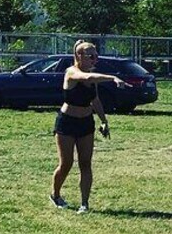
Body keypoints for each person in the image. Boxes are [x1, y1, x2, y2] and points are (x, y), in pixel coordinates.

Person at [50, 40, 129, 213]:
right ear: (79, 56)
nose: (95, 59)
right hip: (67, 122)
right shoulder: (71, 72)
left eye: (96, 56)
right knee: (66, 164)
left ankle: (84, 203)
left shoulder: (92, 75)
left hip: (86, 123)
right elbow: (86, 78)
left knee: (86, 163)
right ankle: (55, 195)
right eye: (91, 56)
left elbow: (95, 100)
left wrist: (104, 121)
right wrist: (113, 77)